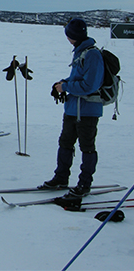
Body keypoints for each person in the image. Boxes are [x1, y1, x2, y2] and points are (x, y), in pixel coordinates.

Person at [41, 18, 104, 197]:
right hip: (72, 108)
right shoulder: (79, 52)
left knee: (87, 147)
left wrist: (66, 87)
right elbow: (77, 78)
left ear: (73, 35)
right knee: (65, 143)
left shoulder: (92, 54)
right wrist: (61, 84)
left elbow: (90, 85)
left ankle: (85, 184)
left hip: (87, 111)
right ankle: (61, 178)